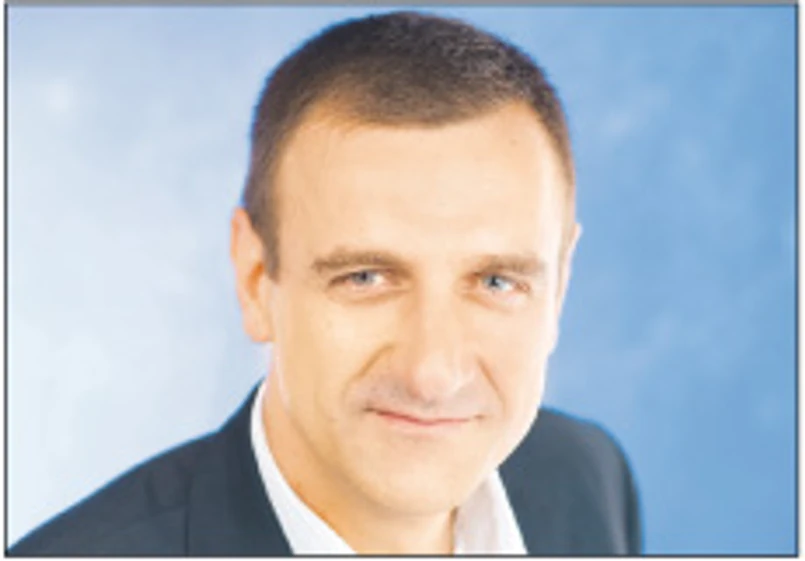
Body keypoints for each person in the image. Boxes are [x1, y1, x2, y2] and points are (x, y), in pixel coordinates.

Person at [9, 10, 642, 555]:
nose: (433, 374)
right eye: (366, 277)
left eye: (497, 282)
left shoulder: (586, 477)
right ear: (255, 278)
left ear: (559, 286)